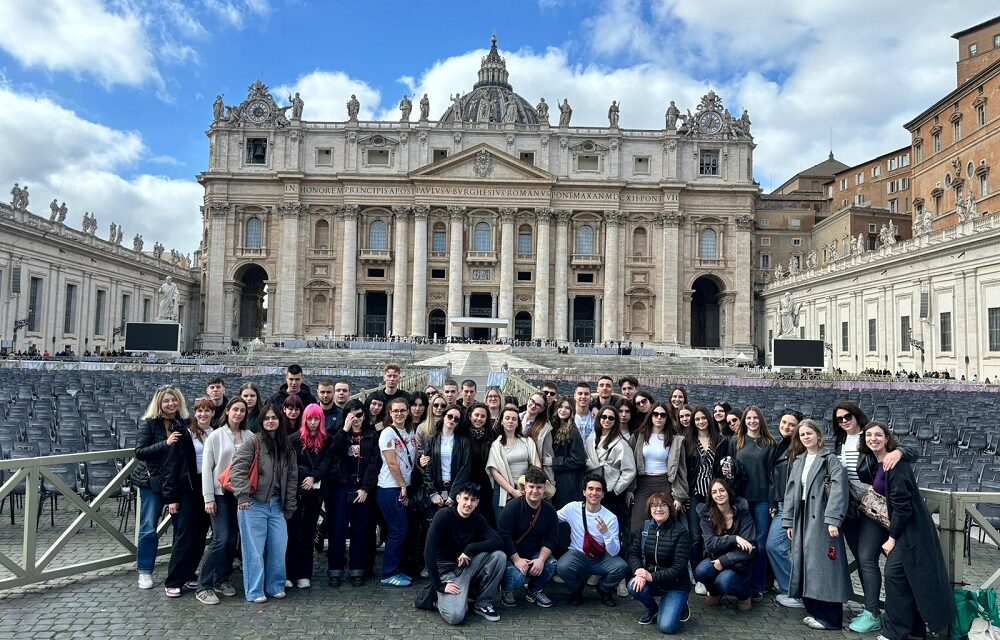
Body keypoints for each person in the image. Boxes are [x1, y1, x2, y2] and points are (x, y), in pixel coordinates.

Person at [857, 422, 955, 640]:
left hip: (911, 531)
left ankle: (894, 632)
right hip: (901, 529)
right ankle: (914, 631)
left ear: (887, 438)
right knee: (905, 579)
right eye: (869, 435)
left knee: (894, 576)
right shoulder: (876, 462)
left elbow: (903, 506)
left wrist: (892, 538)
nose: (873, 439)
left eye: (878, 435)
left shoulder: (895, 464)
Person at [832, 401, 914, 634]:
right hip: (850, 507)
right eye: (839, 419)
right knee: (861, 559)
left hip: (872, 509)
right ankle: (871, 608)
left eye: (848, 416)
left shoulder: (870, 435)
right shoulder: (840, 441)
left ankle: (873, 613)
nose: (844, 421)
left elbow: (909, 450)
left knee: (867, 558)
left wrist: (899, 451)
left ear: (857, 416)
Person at [782, 419, 850, 630]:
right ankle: (814, 611)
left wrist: (833, 519)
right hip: (802, 516)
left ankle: (830, 619)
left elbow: (839, 490)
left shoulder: (830, 459)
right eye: (802, 434)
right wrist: (788, 521)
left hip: (822, 517)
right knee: (806, 563)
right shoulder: (798, 461)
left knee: (825, 565)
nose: (806, 437)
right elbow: (791, 491)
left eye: (809, 433)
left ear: (818, 435)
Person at [230, 403, 298, 604]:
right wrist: (242, 496)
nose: (270, 421)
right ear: (261, 421)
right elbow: (237, 469)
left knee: (278, 547)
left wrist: (290, 505)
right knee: (254, 550)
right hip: (253, 503)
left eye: (274, 418)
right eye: (267, 418)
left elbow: (292, 477)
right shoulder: (253, 442)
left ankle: (275, 586)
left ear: (280, 420)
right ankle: (254, 590)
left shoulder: (286, 446)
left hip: (276, 504)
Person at [422, 482, 506, 624]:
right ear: (458, 498)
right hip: (448, 573)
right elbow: (428, 553)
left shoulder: (478, 519)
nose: (468, 504)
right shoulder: (443, 515)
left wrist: (470, 549)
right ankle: (442, 598)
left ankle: (482, 603)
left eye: (473, 500)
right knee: (455, 616)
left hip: (467, 565)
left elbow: (498, 541)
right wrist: (439, 585)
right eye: (466, 498)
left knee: (499, 556)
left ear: (477, 503)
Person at [133, 385, 189, 590]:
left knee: (180, 528)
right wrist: (165, 443)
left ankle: (178, 571)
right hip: (153, 482)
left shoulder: (185, 423)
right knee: (149, 527)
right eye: (166, 401)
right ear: (159, 403)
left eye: (174, 400)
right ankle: (145, 570)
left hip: (177, 483)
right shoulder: (149, 423)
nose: (170, 404)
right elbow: (140, 451)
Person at [197, 397, 249, 604]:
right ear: (227, 411)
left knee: (232, 539)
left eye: (242, 410)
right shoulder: (216, 436)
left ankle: (222, 578)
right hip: (220, 494)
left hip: (240, 494)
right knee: (221, 538)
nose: (238, 413)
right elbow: (207, 469)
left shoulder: (249, 436)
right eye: (235, 409)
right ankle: (204, 585)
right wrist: (208, 497)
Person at [161, 397, 214, 598]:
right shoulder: (185, 434)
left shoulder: (216, 433)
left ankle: (190, 574)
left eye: (207, 410)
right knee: (184, 535)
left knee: (200, 534)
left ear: (213, 413)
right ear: (194, 413)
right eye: (199, 411)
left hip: (207, 487)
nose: (203, 414)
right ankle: (174, 580)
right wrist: (172, 498)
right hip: (187, 489)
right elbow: (172, 465)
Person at [327, 399, 380, 587]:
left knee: (360, 529)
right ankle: (335, 568)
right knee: (338, 529)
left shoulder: (371, 435)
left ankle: (357, 568)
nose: (356, 419)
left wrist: (365, 488)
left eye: (359, 415)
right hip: (341, 485)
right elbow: (334, 452)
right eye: (352, 415)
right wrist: (345, 429)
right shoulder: (338, 433)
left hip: (362, 486)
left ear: (364, 416)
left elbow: (374, 464)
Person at [556, 474, 628, 607]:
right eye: (590, 489)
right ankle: (577, 589)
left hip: (600, 557)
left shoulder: (610, 517)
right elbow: (552, 518)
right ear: (584, 492)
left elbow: (614, 552)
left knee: (621, 567)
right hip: (577, 553)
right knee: (562, 567)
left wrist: (606, 533)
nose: (594, 493)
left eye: (598, 490)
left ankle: (604, 589)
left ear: (603, 494)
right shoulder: (572, 508)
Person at [627, 493, 692, 632]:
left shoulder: (681, 532)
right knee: (633, 587)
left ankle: (681, 603)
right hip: (653, 581)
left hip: (675, 584)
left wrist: (650, 576)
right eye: (654, 506)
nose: (658, 509)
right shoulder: (644, 527)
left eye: (663, 505)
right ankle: (652, 608)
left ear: (670, 508)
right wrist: (639, 571)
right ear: (649, 509)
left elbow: (678, 568)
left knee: (666, 627)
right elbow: (633, 553)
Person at [683, 406, 731, 591]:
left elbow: (726, 465)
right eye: (697, 419)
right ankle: (699, 576)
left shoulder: (721, 440)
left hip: (714, 495)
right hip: (695, 494)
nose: (701, 421)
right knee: (695, 536)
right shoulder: (688, 441)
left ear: (709, 419)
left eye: (703, 418)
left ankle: (715, 570)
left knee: (715, 534)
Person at [497, 467, 559, 608]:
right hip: (512, 554)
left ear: (544, 489)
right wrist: (516, 559)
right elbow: (503, 535)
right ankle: (507, 589)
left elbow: (553, 537)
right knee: (517, 577)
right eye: (531, 486)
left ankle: (534, 591)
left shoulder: (549, 510)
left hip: (534, 553)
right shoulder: (513, 507)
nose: (535, 491)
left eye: (539, 487)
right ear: (525, 487)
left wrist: (541, 560)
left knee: (551, 563)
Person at [286, 403, 333, 589]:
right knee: (293, 533)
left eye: (316, 419)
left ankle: (305, 573)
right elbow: (289, 464)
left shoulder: (327, 440)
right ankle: (289, 573)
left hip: (315, 492)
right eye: (310, 418)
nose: (313, 422)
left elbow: (327, 462)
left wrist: (314, 477)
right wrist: (303, 477)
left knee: (308, 533)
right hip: (296, 492)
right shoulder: (293, 440)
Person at [732, 405, 776, 599]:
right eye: (748, 418)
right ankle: (741, 581)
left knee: (760, 543)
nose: (752, 421)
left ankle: (758, 584)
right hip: (740, 499)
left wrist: (773, 501)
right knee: (742, 542)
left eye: (755, 418)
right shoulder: (736, 441)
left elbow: (773, 475)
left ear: (761, 420)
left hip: (762, 499)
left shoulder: (769, 443)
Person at [695, 478, 756, 612]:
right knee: (701, 571)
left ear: (728, 492)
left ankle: (745, 595)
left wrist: (724, 560)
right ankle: (715, 592)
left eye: (722, 490)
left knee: (724, 581)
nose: (719, 494)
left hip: (738, 564)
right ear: (711, 496)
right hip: (715, 559)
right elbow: (710, 544)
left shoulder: (742, 513)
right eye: (714, 492)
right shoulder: (706, 516)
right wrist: (734, 539)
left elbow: (749, 548)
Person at [376, 396, 418, 587]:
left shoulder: (409, 431)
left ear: (408, 411)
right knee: (398, 530)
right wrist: (402, 485)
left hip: (403, 486)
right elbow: (392, 462)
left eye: (402, 410)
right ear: (390, 413)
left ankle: (396, 568)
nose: (399, 414)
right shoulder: (387, 433)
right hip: (391, 487)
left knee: (402, 530)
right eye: (395, 411)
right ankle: (388, 573)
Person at [630, 402, 687, 534]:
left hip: (664, 483)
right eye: (655, 414)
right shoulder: (639, 436)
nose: (659, 417)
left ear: (667, 417)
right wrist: (629, 489)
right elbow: (630, 463)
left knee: (665, 526)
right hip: (643, 483)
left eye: (663, 415)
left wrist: (679, 496)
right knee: (637, 525)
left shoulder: (674, 439)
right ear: (650, 416)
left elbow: (681, 469)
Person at [767, 409, 804, 608]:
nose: (786, 427)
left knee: (776, 547)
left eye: (791, 424)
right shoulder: (781, 444)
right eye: (783, 422)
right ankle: (792, 590)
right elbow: (776, 479)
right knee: (778, 548)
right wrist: (773, 501)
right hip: (781, 504)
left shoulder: (799, 448)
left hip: (793, 506)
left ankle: (794, 593)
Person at [487, 408, 541, 522]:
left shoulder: (527, 441)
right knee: (504, 527)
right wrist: (513, 491)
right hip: (503, 491)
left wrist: (528, 486)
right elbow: (494, 472)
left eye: (514, 419)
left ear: (518, 423)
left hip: (526, 489)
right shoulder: (496, 445)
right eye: (507, 418)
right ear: (501, 422)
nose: (510, 421)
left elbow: (537, 465)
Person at [422, 404, 472, 516]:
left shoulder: (464, 442)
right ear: (444, 416)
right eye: (450, 416)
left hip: (456, 490)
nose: (452, 420)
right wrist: (433, 492)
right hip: (436, 489)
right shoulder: (432, 440)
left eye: (456, 419)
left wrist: (453, 495)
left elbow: (465, 468)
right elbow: (427, 467)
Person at [550, 396, 587, 510]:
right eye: (560, 407)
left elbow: (579, 460)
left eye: (567, 408)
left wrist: (554, 461)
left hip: (568, 482)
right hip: (557, 479)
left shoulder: (573, 431)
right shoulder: (554, 427)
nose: (563, 410)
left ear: (572, 411)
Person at [467, 401, 498, 526]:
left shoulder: (492, 435)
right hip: (466, 482)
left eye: (483, 416)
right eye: (476, 415)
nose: (479, 419)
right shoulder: (462, 434)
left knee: (485, 518)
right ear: (470, 416)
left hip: (486, 484)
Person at [522, 391, 555, 483]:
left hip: (531, 473)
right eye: (532, 401)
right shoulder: (515, 418)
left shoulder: (545, 429)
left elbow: (546, 458)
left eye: (538, 405)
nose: (533, 406)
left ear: (542, 409)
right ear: (528, 400)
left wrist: (550, 481)